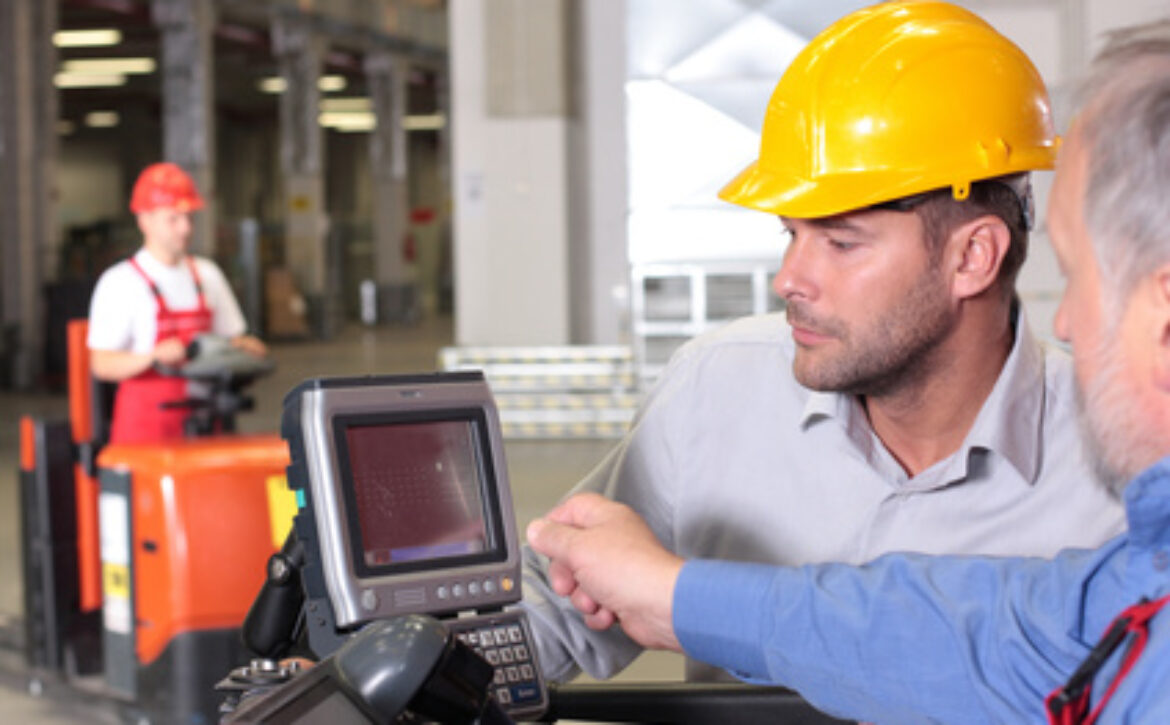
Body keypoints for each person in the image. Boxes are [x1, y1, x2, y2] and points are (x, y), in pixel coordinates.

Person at [528, 22, 1170, 724]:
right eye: (791, 234)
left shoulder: (1114, 470)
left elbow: (984, 641)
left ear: (972, 258)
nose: (789, 280)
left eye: (840, 240)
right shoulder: (717, 388)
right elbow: (551, 609)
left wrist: (681, 597)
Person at [87, 162, 267, 444]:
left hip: (207, 425)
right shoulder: (120, 283)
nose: (185, 228)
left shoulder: (207, 275)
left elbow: (233, 339)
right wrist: (152, 357)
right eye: (173, 219)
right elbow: (102, 363)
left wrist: (245, 347)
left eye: (189, 218)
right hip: (146, 436)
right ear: (144, 220)